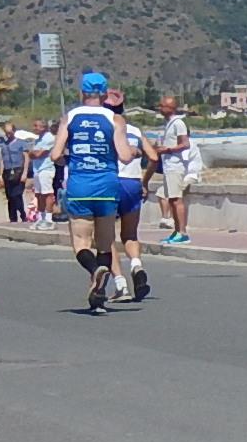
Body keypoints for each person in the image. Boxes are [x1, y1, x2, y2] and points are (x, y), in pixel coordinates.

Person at [57, 71, 131, 313]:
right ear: (105, 94)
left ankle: (93, 270)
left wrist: (70, 159)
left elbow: (55, 154)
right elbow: (125, 156)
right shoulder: (115, 119)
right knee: (105, 243)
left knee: (81, 242)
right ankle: (98, 294)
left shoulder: (70, 118)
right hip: (107, 186)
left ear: (82, 92)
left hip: (80, 185)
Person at [104, 89, 156, 301]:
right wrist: (145, 182)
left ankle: (120, 284)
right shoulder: (134, 130)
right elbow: (154, 157)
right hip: (133, 183)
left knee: (106, 236)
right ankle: (136, 265)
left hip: (110, 181)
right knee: (130, 235)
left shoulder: (104, 127)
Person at [157, 95, 195, 244]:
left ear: (170, 108)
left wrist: (168, 149)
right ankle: (176, 231)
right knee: (171, 200)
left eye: (163, 106)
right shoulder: (168, 124)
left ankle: (182, 232)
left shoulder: (178, 123)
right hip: (168, 166)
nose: (160, 109)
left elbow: (185, 144)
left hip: (175, 166)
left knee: (176, 199)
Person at [0, 123, 31, 222]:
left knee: (16, 194)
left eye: (10, 132)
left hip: (18, 170)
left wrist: (25, 173)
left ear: (14, 131)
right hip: (7, 171)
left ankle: (22, 214)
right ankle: (13, 218)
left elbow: (26, 158)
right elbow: (2, 160)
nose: (8, 134)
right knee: (9, 196)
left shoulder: (21, 143)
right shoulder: (4, 145)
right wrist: (0, 175)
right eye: (6, 132)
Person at [29, 120, 59, 226]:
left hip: (46, 169)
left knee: (47, 194)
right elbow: (31, 154)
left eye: (36, 126)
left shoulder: (49, 138)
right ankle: (41, 218)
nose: (34, 128)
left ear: (43, 127)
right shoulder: (38, 140)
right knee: (39, 195)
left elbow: (38, 154)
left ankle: (48, 219)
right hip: (37, 170)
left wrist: (33, 153)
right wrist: (33, 153)